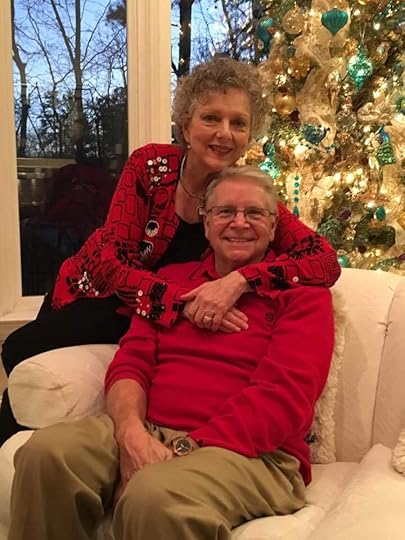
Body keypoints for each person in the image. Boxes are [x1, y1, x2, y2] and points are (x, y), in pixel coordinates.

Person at [0, 55, 340, 445]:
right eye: (211, 118)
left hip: (145, 316)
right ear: (185, 125)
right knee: (20, 351)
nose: (224, 133)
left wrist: (241, 281)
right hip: (99, 296)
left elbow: (323, 261)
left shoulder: (242, 196)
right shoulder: (150, 166)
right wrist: (181, 301)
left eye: (238, 123)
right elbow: (113, 264)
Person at [8, 167, 335, 540]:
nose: (239, 223)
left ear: (274, 226)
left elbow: (284, 398)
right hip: (151, 429)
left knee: (154, 496)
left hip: (254, 453)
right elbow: (131, 364)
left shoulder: (304, 295)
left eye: (255, 213)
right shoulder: (171, 281)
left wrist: (181, 449)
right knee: (46, 454)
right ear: (206, 223)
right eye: (226, 211)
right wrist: (130, 433)